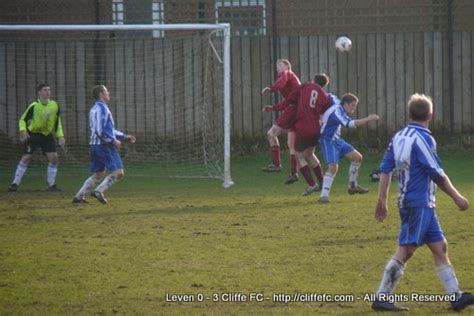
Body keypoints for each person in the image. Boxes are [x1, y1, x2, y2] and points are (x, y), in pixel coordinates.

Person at [371, 93, 473, 312]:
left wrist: (382, 201)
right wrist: (458, 197)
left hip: (415, 202)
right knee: (406, 250)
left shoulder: (398, 137)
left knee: (440, 246)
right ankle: (381, 297)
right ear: (431, 115)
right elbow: (436, 173)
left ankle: (456, 297)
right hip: (418, 203)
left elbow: (385, 170)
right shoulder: (423, 138)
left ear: (409, 114)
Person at [263, 74, 329, 196]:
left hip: (304, 127)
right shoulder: (324, 96)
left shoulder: (305, 86)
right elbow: (324, 110)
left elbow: (288, 100)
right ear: (323, 86)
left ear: (313, 80)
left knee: (299, 155)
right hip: (316, 128)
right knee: (310, 154)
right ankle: (322, 182)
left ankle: (311, 184)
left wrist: (274, 108)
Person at [72, 85, 136, 204]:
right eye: (106, 91)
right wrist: (113, 141)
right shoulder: (102, 109)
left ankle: (79, 196)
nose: (108, 93)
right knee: (119, 172)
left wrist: (123, 136)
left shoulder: (94, 108)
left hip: (95, 145)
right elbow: (100, 130)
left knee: (99, 173)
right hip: (104, 145)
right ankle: (98, 191)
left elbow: (107, 130)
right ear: (101, 94)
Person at [318, 93, 379, 203]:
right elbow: (350, 124)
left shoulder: (338, 104)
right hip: (328, 140)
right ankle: (323, 196)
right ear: (345, 104)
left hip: (337, 139)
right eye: (353, 105)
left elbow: (330, 96)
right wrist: (368, 119)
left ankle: (352, 186)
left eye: (355, 106)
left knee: (357, 157)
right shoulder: (336, 112)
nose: (354, 108)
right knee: (333, 168)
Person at [8, 83, 65, 192]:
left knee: (54, 158)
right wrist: (23, 130)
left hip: (47, 135)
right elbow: (22, 120)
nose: (47, 92)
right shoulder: (34, 106)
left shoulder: (55, 105)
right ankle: (14, 184)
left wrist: (60, 136)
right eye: (45, 90)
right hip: (33, 134)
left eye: (49, 90)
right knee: (27, 158)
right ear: (39, 92)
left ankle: (51, 185)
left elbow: (58, 123)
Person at [261, 59, 301, 185]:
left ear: (287, 66)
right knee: (291, 144)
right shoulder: (291, 80)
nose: (277, 68)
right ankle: (294, 173)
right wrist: (273, 108)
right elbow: (288, 100)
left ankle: (276, 164)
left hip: (293, 110)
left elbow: (280, 84)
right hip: (297, 109)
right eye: (276, 66)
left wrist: (271, 88)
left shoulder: (287, 73)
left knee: (271, 134)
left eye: (280, 65)